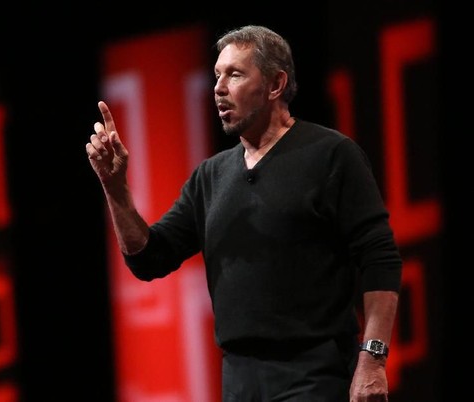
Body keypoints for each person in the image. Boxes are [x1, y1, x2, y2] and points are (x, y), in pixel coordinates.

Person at [85, 24, 401, 401]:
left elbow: (379, 257)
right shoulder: (211, 177)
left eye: (234, 74)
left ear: (275, 84)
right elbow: (148, 258)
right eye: (217, 75)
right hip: (239, 380)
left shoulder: (331, 156)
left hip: (315, 374)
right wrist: (116, 189)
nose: (218, 87)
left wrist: (374, 359)